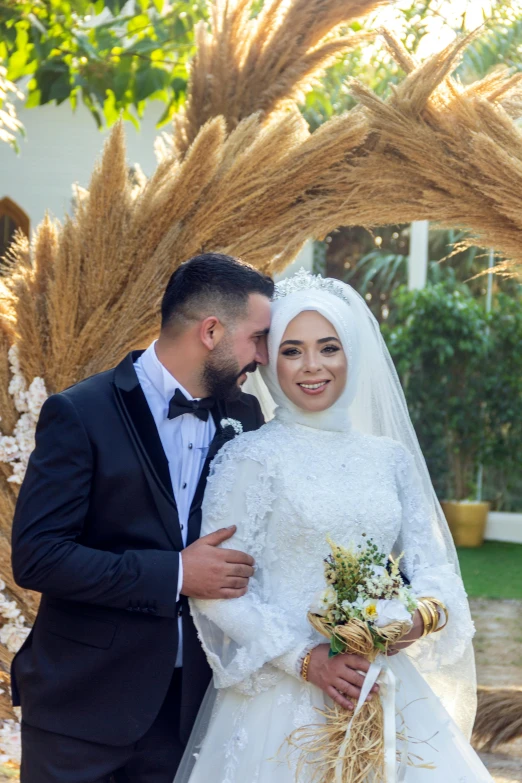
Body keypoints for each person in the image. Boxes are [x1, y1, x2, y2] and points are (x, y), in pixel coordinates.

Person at [175, 270, 493, 782]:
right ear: (271, 360)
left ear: (353, 354)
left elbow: (435, 566)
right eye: (292, 351)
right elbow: (218, 592)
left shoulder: (389, 459)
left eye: (328, 347)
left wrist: (417, 618)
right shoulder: (249, 459)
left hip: (381, 684)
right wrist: (304, 659)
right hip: (279, 704)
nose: (312, 367)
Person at [10, 253, 274, 783]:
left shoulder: (244, 416)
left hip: (188, 714)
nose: (264, 357)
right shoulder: (80, 413)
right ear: (211, 331)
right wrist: (175, 574)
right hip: (80, 708)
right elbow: (38, 556)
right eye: (258, 338)